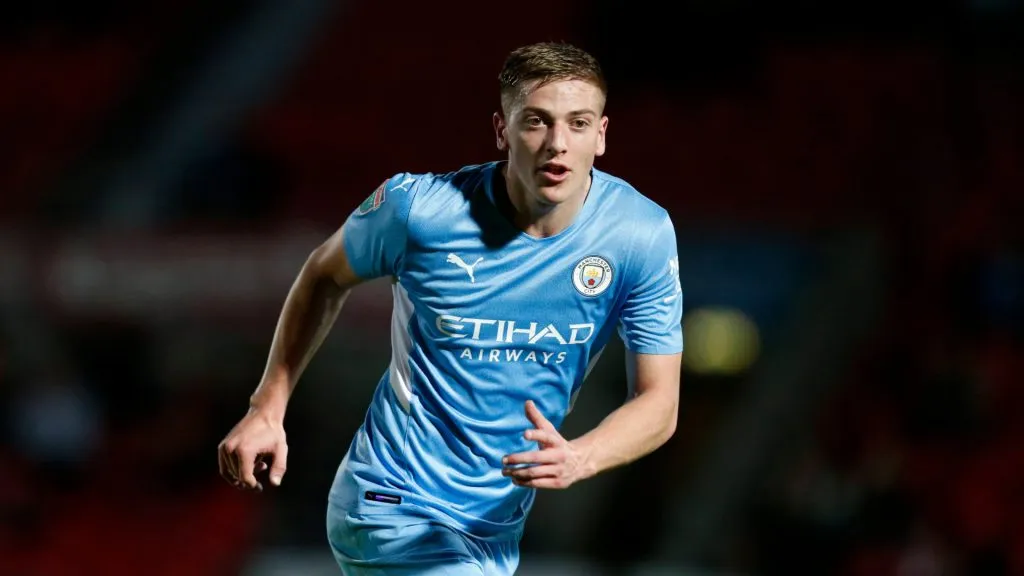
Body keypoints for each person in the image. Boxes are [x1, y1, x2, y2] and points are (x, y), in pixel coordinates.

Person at [217, 41, 684, 575]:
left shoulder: (638, 235)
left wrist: (583, 457)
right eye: (536, 122)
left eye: (577, 123)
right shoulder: (419, 210)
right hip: (391, 506)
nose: (557, 144)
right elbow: (323, 274)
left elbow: (659, 402)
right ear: (501, 131)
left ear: (601, 135)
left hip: (492, 528)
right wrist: (267, 407)